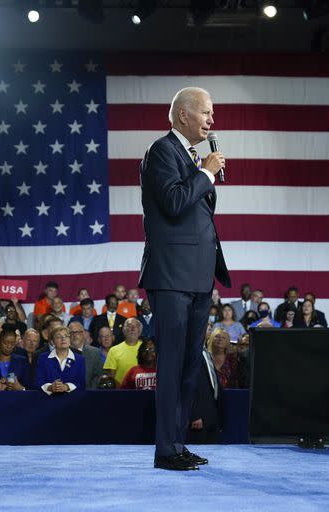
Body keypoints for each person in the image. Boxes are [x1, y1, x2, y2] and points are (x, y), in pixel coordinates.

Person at [139, 86, 231, 471]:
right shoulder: (162, 150)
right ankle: (165, 450)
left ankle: (178, 444)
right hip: (172, 277)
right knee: (173, 364)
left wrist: (203, 171)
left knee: (191, 364)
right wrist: (206, 172)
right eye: (206, 113)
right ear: (182, 116)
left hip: (195, 277)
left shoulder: (189, 156)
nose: (212, 120)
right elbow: (175, 203)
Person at [34, 326, 86, 395]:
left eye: (66, 336)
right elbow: (38, 382)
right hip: (49, 401)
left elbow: (82, 383)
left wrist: (66, 387)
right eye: (59, 337)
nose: (63, 339)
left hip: (73, 401)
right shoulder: (43, 358)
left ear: (70, 340)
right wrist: (50, 387)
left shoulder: (80, 359)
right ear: (52, 342)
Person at [103, 317, 144, 385]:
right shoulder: (114, 350)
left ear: (140, 331)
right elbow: (111, 378)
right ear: (124, 330)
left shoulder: (145, 349)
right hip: (121, 392)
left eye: (135, 326)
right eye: (129, 326)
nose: (132, 329)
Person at [69, 321, 104, 389]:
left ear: (83, 334)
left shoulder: (94, 352)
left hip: (88, 394)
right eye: (71, 332)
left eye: (77, 332)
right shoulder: (62, 352)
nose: (74, 335)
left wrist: (89, 391)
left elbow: (98, 376)